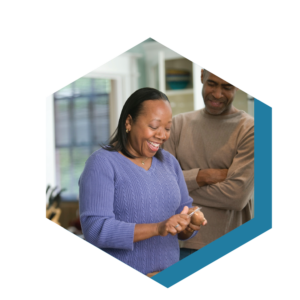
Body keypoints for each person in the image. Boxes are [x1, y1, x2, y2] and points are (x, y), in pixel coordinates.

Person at [78, 87, 207, 276]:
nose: (162, 135)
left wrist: (190, 224)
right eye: (154, 127)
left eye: (167, 128)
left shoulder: (169, 162)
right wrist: (158, 227)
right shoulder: (102, 163)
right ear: (129, 122)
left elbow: (182, 216)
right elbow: (95, 229)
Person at [163, 69, 254, 259]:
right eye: (212, 84)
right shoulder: (177, 125)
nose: (218, 94)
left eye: (227, 87)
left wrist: (180, 181)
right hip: (178, 243)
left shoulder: (250, 130)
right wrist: (204, 176)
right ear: (201, 76)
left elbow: (236, 197)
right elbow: (162, 185)